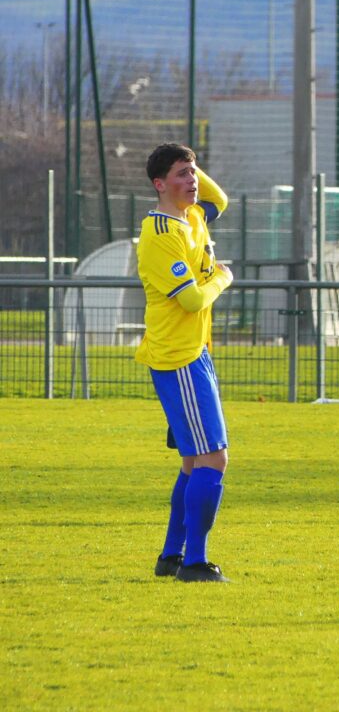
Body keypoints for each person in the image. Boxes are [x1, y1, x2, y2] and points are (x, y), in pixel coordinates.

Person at [136, 143, 233, 583]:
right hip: (178, 359)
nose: (193, 181)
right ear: (159, 185)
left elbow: (219, 199)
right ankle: (195, 563)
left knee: (194, 462)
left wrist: (187, 160)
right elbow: (192, 299)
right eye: (181, 174)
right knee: (214, 459)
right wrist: (223, 277)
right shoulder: (160, 235)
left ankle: (171, 557)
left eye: (194, 172)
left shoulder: (192, 216)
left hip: (195, 354)